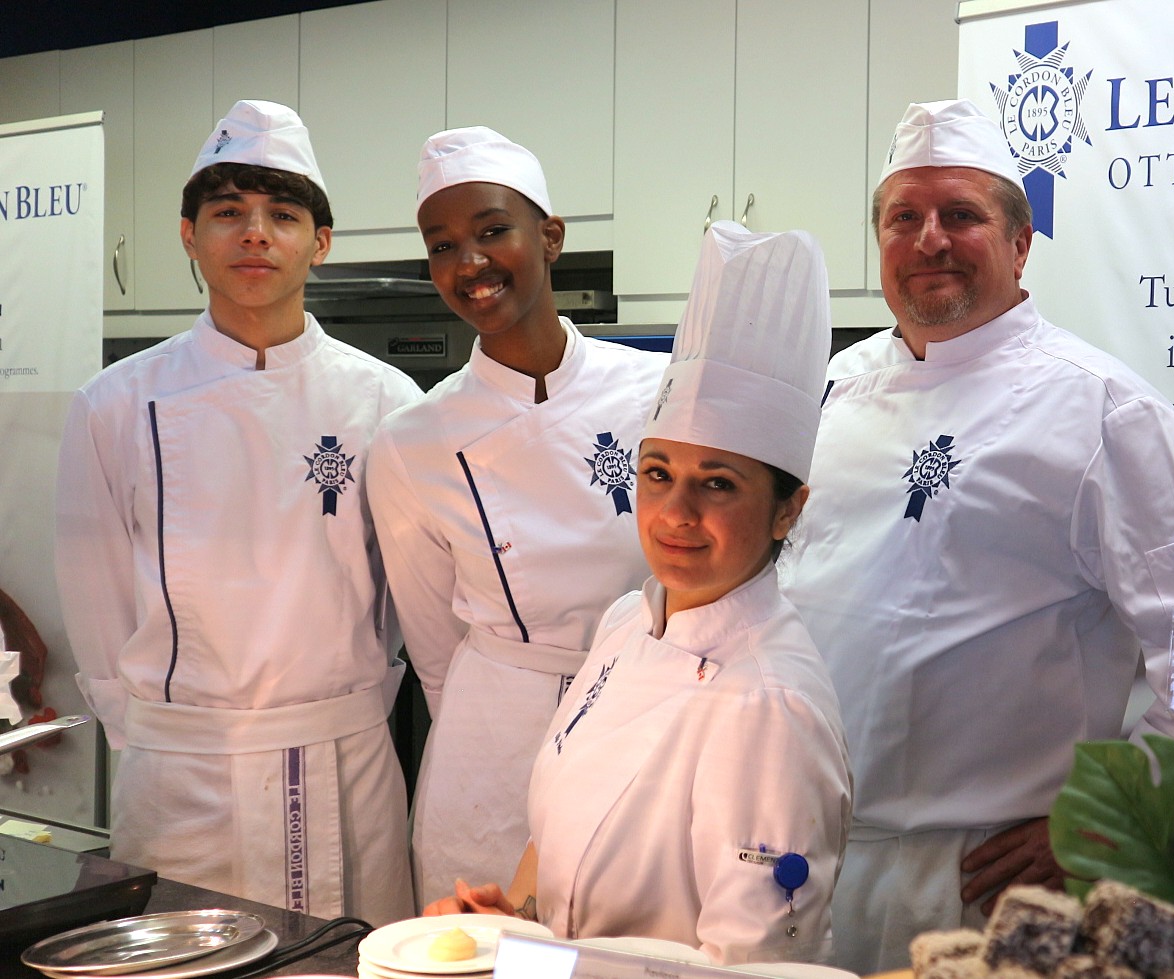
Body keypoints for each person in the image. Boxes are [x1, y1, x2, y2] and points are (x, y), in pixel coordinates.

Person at [779, 99, 1174, 973]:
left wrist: (1112, 810)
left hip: (981, 876)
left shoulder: (1099, 407)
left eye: (961, 215)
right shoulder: (832, 387)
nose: (929, 239)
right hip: (808, 851)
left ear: (1020, 244)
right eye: (903, 217)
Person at [425, 222, 852, 966]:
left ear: (788, 508)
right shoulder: (629, 619)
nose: (676, 513)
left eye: (717, 483)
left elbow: (749, 967)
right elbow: (558, 838)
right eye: (657, 472)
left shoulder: (769, 704)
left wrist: (536, 965)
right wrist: (515, 924)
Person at [54, 100, 419, 922]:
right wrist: (151, 733)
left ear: (320, 244)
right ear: (189, 234)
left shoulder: (387, 400)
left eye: (282, 215)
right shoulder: (117, 404)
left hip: (345, 762)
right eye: (228, 213)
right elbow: (95, 595)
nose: (255, 233)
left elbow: (410, 596)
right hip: (183, 776)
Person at [368, 127, 666, 905]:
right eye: (442, 246)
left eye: (493, 230)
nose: (468, 264)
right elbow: (433, 646)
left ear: (550, 236)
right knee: (482, 944)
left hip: (648, 712)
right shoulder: (412, 441)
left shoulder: (659, 389)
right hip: (495, 746)